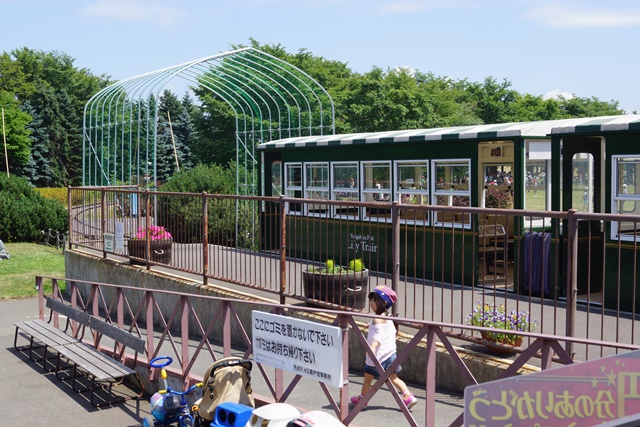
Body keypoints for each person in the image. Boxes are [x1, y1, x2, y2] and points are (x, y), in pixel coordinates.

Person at [350, 286, 418, 410]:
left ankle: (363, 399)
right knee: (394, 378)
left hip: (377, 358)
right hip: (391, 355)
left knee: (367, 379)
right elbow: (387, 331)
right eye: (370, 301)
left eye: (374, 301)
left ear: (384, 303)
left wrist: (371, 350)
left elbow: (378, 339)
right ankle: (408, 396)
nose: (371, 304)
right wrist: (370, 325)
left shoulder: (376, 319)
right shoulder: (388, 317)